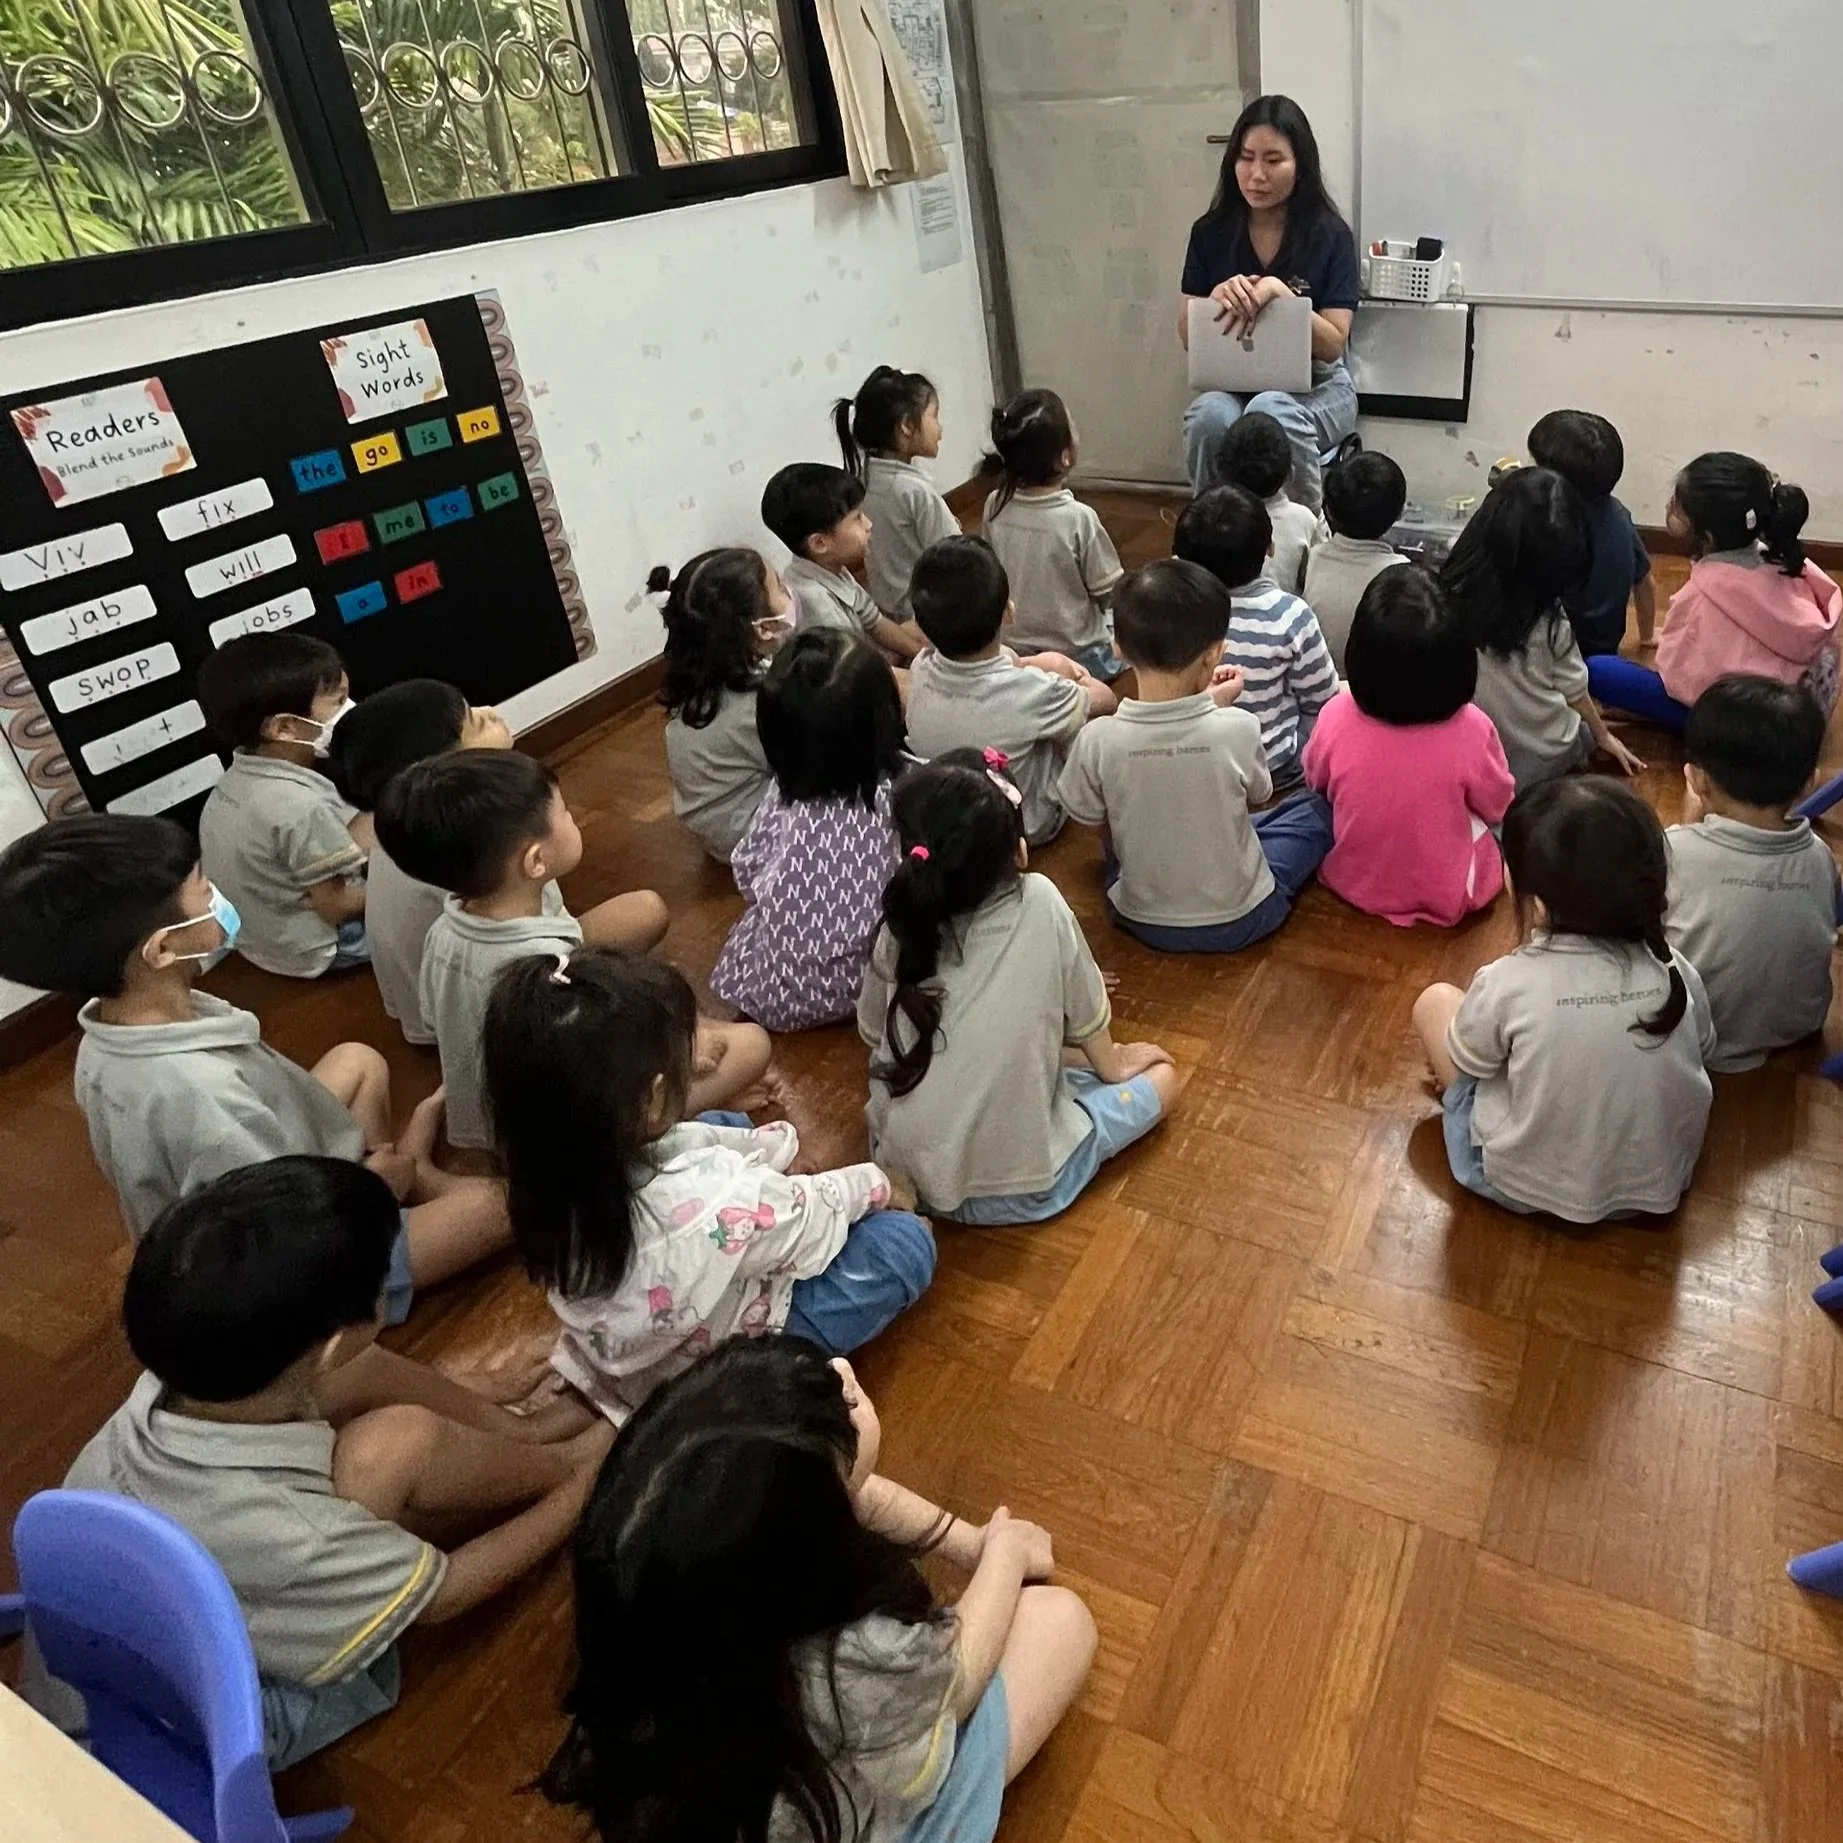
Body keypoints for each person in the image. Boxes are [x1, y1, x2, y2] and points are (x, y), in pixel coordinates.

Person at [27, 1158, 611, 1770]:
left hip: (101, 1663)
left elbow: (347, 1371)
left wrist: (485, 1399)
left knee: (384, 1418)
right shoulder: (292, 1538)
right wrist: (579, 1491)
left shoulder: (177, 1380)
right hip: (196, 1732)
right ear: (334, 1338)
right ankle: (570, 1465)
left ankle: (532, 1436)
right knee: (402, 1440)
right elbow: (443, 1596)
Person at [541, 1337, 1095, 1843]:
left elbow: (858, 1493)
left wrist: (966, 1540)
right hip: (858, 1809)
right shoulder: (854, 1664)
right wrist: (1004, 1553)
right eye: (843, 1404)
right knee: (1060, 1622)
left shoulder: (664, 1604)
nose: (846, 1374)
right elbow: (957, 1683)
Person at [0, 814, 510, 1316]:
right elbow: (281, 1239)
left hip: (265, 1181)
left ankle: (398, 1174)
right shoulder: (206, 1100)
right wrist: (374, 1190)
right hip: (297, 1268)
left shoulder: (107, 1030)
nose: (216, 894)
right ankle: (397, 1196)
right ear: (162, 949)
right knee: (500, 1207)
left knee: (358, 1061)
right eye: (202, 889)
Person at [482, 950, 936, 1422]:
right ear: (654, 1100)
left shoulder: (545, 1176)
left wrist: (769, 1159)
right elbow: (809, 1214)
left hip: (640, 1326)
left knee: (724, 1123)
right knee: (904, 1244)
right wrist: (878, 1184)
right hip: (717, 1359)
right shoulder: (707, 1204)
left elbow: (698, 1150)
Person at [376, 749, 762, 1150]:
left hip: (492, 1104)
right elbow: (599, 1067)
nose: (572, 817)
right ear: (536, 860)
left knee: (645, 911)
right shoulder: (548, 974)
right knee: (751, 1045)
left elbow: (437, 1020)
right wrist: (683, 1054)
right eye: (564, 813)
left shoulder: (445, 927)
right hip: (547, 1134)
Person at [858, 751, 1179, 1223]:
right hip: (1024, 1187)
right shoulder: (1041, 902)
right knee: (1165, 1077)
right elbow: (1089, 1017)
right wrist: (1113, 1065)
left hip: (906, 1170)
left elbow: (872, 1036)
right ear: (1020, 851)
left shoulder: (901, 924)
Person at [1412, 777, 1716, 1223]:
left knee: (1435, 1001)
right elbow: (1703, 1050)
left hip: (1517, 1183)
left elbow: (1472, 1063)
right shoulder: (1676, 970)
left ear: (1536, 905)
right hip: (1660, 1182)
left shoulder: (1508, 981)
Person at [1059, 560, 1332, 951]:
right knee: (1314, 811)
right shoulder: (1238, 727)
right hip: (1245, 917)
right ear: (1214, 654)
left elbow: (1091, 819)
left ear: (1118, 648)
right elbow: (1258, 795)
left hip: (1137, 916)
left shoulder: (1096, 739)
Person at [710, 629, 907, 1031]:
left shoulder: (785, 792)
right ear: (884, 712)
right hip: (870, 983)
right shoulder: (904, 791)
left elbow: (747, 869)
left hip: (776, 994)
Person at [1302, 567, 1515, 927]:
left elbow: (1315, 781)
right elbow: (1497, 805)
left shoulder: (1335, 712)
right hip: (1453, 892)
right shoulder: (1474, 727)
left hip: (1351, 879)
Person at [1179, 94, 1360, 509]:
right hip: (1234, 382)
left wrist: (1286, 299)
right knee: (1209, 416)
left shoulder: (1330, 236)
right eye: (1246, 158)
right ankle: (1212, 532)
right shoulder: (1210, 233)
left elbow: (1334, 344)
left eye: (1274, 160)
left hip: (1319, 386)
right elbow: (1188, 336)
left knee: (1270, 412)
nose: (1256, 174)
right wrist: (1212, 301)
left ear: (1301, 167)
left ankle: (1304, 536)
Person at [1588, 452, 1841, 732]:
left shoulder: (1704, 594)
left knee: (1598, 670)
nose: (1668, 507)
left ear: (1707, 537)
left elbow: (1677, 681)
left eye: (1676, 507)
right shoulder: (1787, 559)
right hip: (1806, 714)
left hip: (1753, 732)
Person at [326, 679, 514, 1046]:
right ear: (439, 770)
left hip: (424, 1010)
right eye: (475, 723)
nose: (491, 712)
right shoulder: (470, 842)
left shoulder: (406, 828)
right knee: (644, 911)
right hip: (463, 1024)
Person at [1665, 675, 1838, 1071]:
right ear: (1809, 783)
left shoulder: (1672, 850)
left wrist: (1692, 825)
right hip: (1798, 1025)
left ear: (1697, 780)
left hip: (1694, 1030)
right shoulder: (1821, 856)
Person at [905, 535, 1115, 847]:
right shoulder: (1032, 691)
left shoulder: (921, 667)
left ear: (922, 627)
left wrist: (1026, 663)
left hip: (947, 823)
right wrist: (1064, 668)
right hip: (1024, 827)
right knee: (1086, 725)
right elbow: (1106, 700)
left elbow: (1006, 662)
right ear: (1009, 612)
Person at [1442, 467, 1644, 788]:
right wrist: (1603, 735)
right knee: (1579, 728)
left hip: (1475, 754)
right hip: (1544, 759)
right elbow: (1576, 691)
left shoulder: (1444, 600)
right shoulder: (1550, 622)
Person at [196, 632, 367, 977]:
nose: (351, 709)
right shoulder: (298, 807)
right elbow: (337, 906)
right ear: (285, 727)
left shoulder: (237, 779)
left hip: (258, 940)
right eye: (339, 701)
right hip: (316, 948)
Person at [1172, 484, 1338, 787]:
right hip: (1274, 761)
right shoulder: (1291, 615)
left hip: (1197, 755)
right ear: (1270, 548)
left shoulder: (1171, 610)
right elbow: (1321, 698)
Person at [980, 388, 1126, 681]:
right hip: (1081, 656)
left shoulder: (994, 503)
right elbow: (1110, 593)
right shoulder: (1078, 518)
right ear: (1065, 457)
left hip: (1015, 650)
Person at [652, 549, 785, 863]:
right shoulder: (757, 705)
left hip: (717, 832)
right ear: (760, 628)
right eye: (779, 586)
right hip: (752, 838)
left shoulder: (701, 684)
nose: (789, 593)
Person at [762, 462, 926, 661]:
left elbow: (873, 620)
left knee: (921, 634)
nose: (869, 524)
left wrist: (919, 654)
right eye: (857, 518)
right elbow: (852, 673)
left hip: (857, 654)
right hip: (844, 677)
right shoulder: (819, 606)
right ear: (820, 543)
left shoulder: (828, 565)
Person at [1526, 409, 1654, 660]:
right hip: (1604, 649)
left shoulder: (1545, 523)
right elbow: (1646, 581)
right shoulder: (1618, 513)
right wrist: (1647, 635)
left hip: (1556, 654)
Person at [836, 365, 961, 621]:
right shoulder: (915, 491)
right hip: (926, 612)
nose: (941, 428)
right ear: (906, 425)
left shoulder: (865, 476)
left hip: (888, 605)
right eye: (934, 416)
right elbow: (957, 557)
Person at [1304, 450, 1409, 672]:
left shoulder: (1311, 559)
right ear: (1399, 513)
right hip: (1374, 692)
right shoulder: (1403, 576)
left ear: (1329, 511)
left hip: (1318, 686)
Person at [1216, 411, 1318, 595]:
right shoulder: (1305, 520)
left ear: (1221, 473)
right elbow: (1315, 582)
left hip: (1222, 618)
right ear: (1291, 473)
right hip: (1284, 617)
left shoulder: (1213, 521)